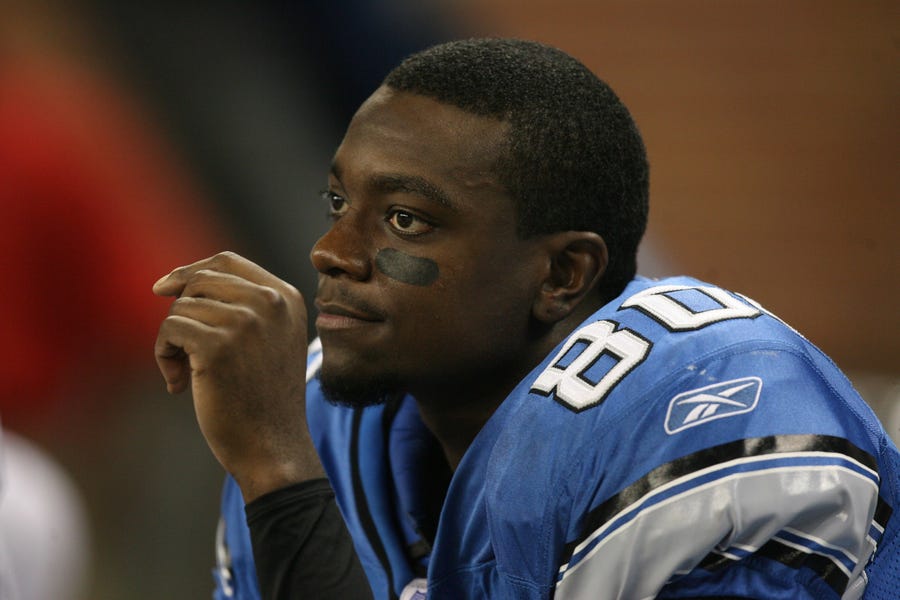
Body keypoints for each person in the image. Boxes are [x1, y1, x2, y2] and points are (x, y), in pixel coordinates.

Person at [153, 39, 900, 599]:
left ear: (561, 274)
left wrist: (281, 478)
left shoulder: (712, 413)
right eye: (339, 205)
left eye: (406, 220)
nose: (329, 252)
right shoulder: (316, 420)